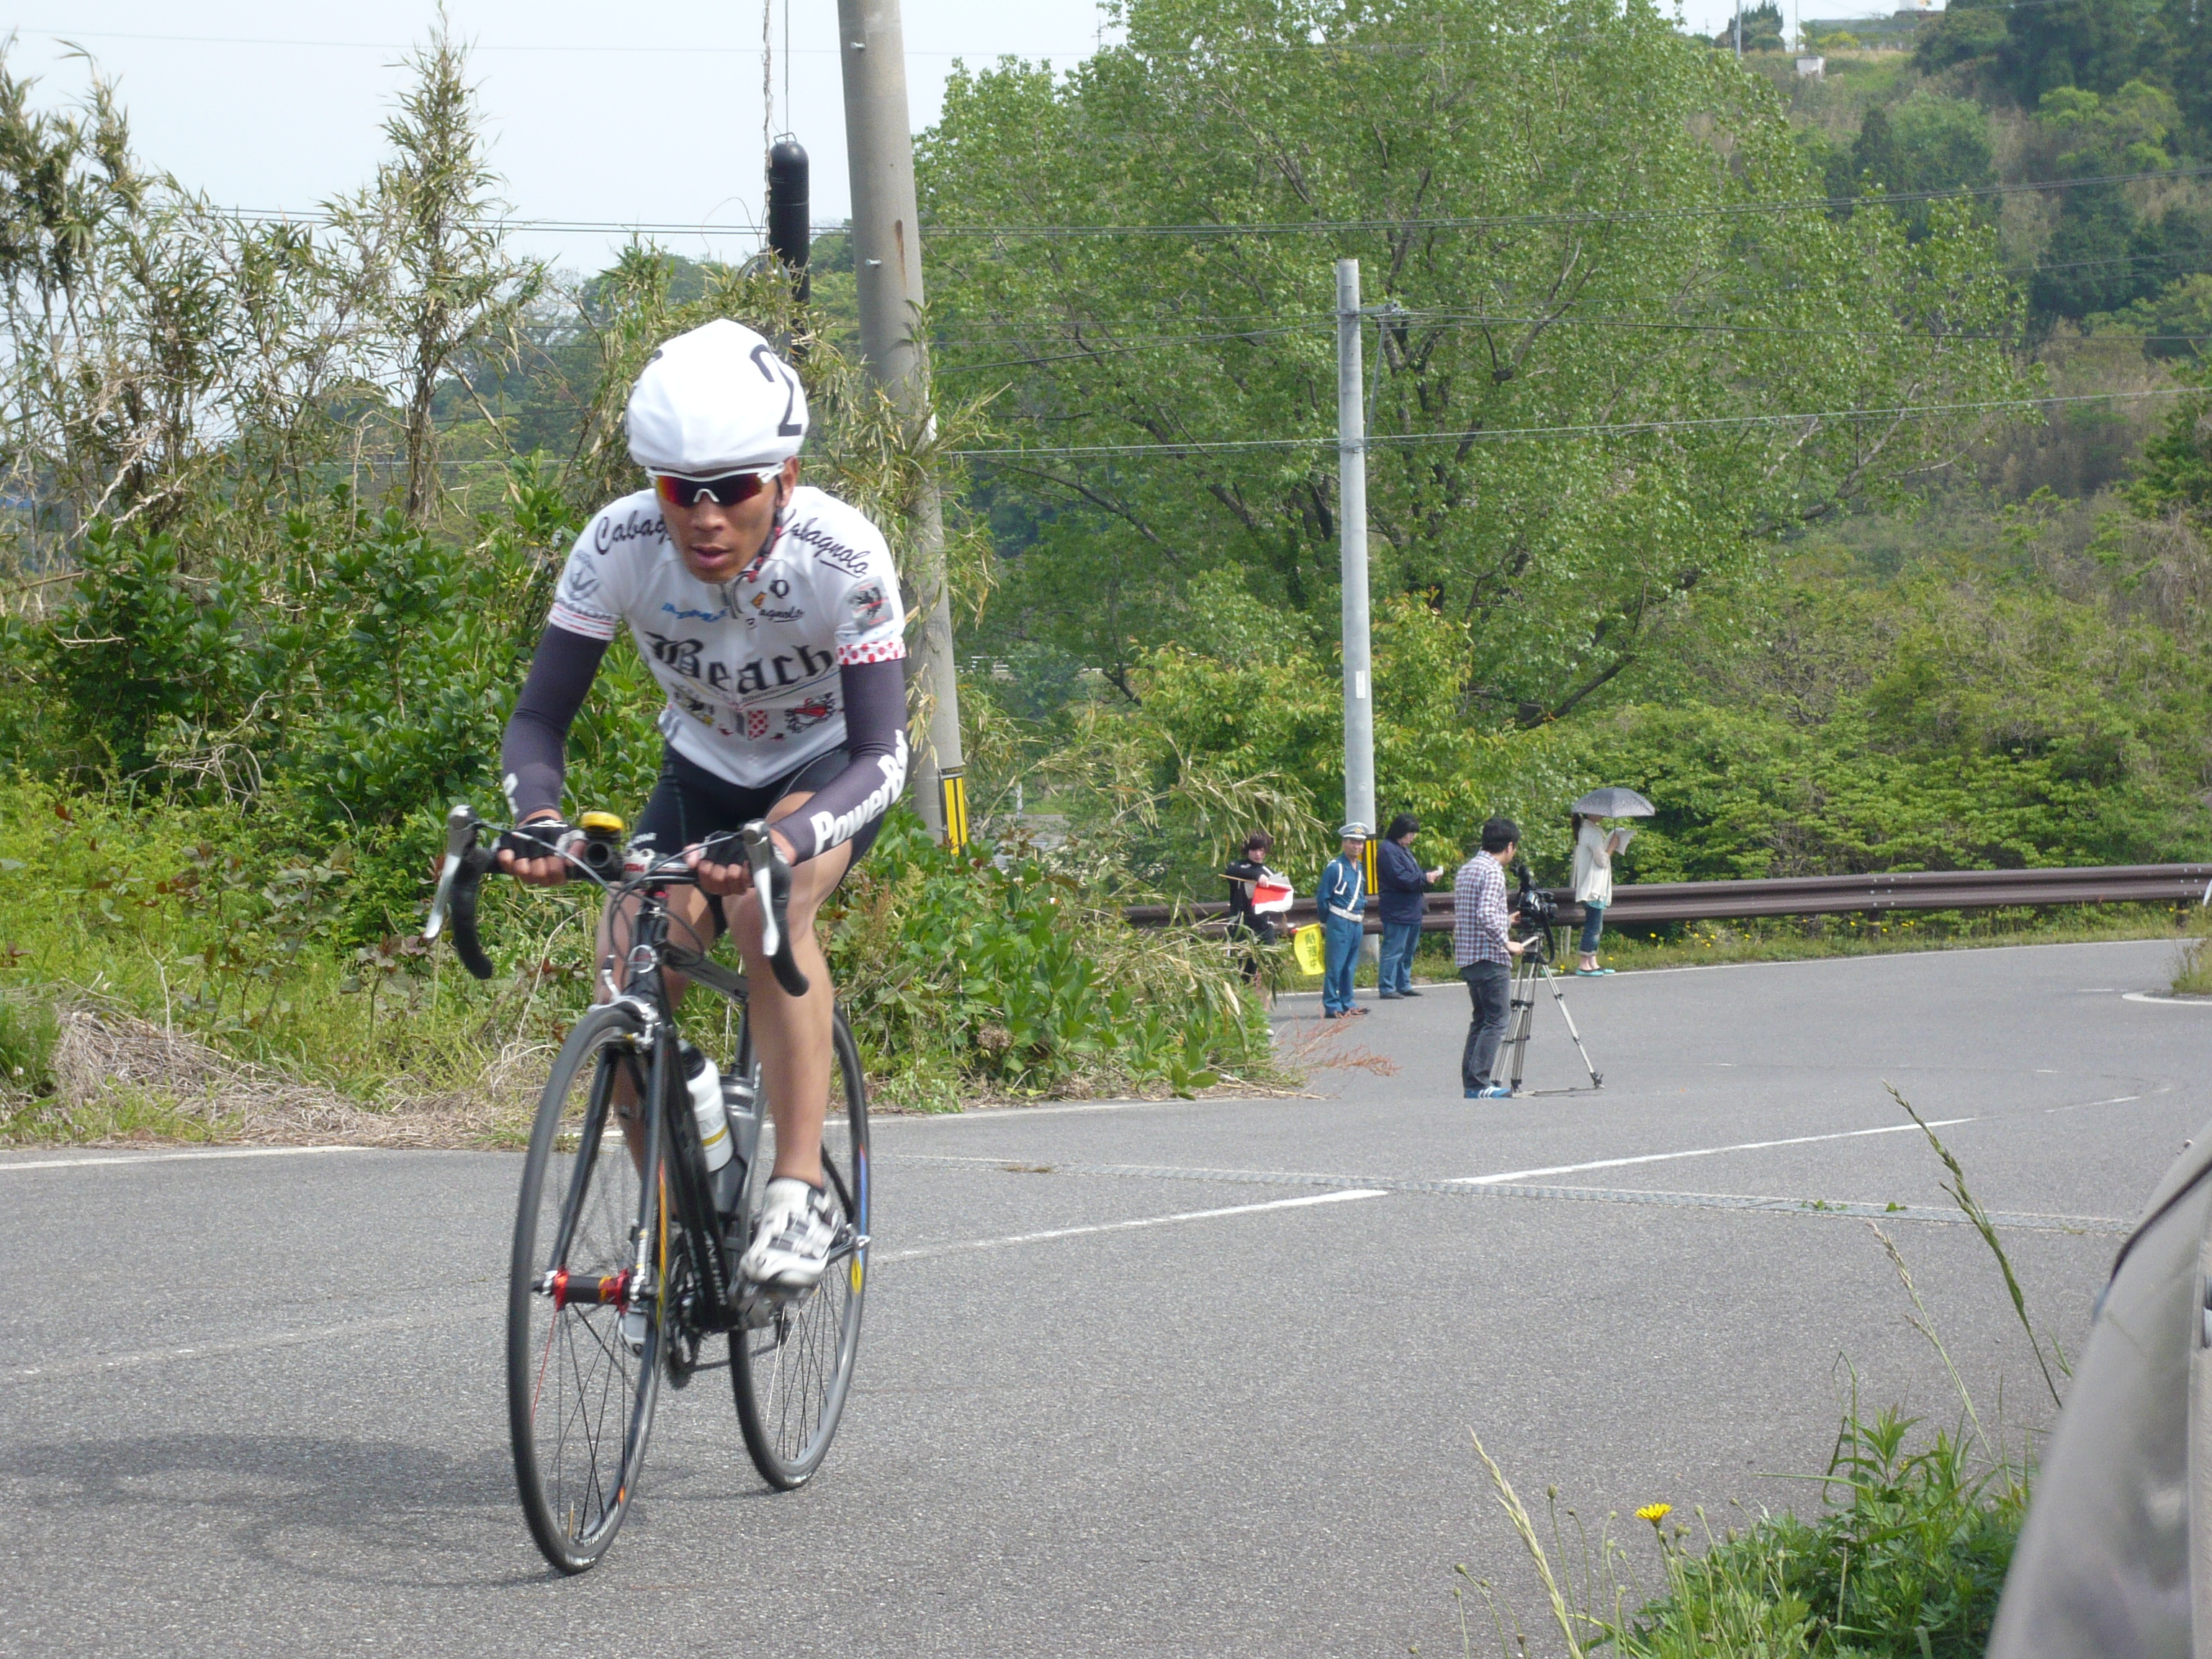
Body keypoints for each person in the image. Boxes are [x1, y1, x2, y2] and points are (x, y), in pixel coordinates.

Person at [494, 318, 908, 1291]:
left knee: (770, 904)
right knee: (628, 954)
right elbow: (538, 721)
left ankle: (798, 1191)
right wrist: (542, 818)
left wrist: (788, 835)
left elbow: (886, 754)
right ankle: (681, 1219)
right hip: (703, 772)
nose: (706, 518)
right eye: (683, 492)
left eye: (734, 492)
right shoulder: (618, 545)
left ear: (785, 481)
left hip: (824, 769)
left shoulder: (841, 557)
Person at [1453, 817, 1530, 1099]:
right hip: (1489, 955)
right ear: (1509, 846)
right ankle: (1479, 1083)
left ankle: (1472, 1082)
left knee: (1482, 1019)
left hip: (1468, 955)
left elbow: (1476, 912)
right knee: (1497, 1020)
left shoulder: (1468, 869)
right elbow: (1485, 915)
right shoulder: (1494, 872)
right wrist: (1506, 942)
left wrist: (1505, 919)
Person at [1375, 812, 1442, 999]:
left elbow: (1412, 874)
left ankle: (1403, 984)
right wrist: (1424, 878)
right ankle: (1387, 986)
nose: (1412, 838)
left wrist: (1427, 875)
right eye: (1410, 834)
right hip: (1397, 908)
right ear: (1400, 832)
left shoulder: (1403, 849)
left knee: (1408, 951)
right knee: (1394, 949)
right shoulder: (1388, 850)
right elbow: (1400, 878)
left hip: (1412, 908)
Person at [1570, 812, 1635, 976]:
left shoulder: (1590, 830)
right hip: (1593, 886)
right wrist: (1613, 845)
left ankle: (1592, 961)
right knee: (1593, 927)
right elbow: (1602, 861)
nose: (1602, 815)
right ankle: (1584, 964)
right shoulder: (1592, 833)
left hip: (1594, 885)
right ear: (1590, 813)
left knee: (1596, 926)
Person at [1318, 823, 1370, 1018]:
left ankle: (1347, 1002)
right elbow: (1323, 897)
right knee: (1335, 965)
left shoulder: (1360, 868)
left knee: (1350, 966)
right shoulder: (1335, 868)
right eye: (1353, 842)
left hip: (1356, 921)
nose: (1357, 846)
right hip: (1339, 920)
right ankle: (1332, 1005)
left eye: (1360, 843)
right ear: (1344, 843)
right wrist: (1328, 920)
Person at [1224, 830, 1291, 984]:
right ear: (1247, 850)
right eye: (1254, 850)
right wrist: (1255, 876)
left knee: (1270, 970)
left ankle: (1263, 1001)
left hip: (1262, 926)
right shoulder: (1238, 866)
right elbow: (1231, 871)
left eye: (1261, 850)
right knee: (1242, 972)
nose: (1258, 854)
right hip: (1240, 927)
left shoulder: (1269, 873)